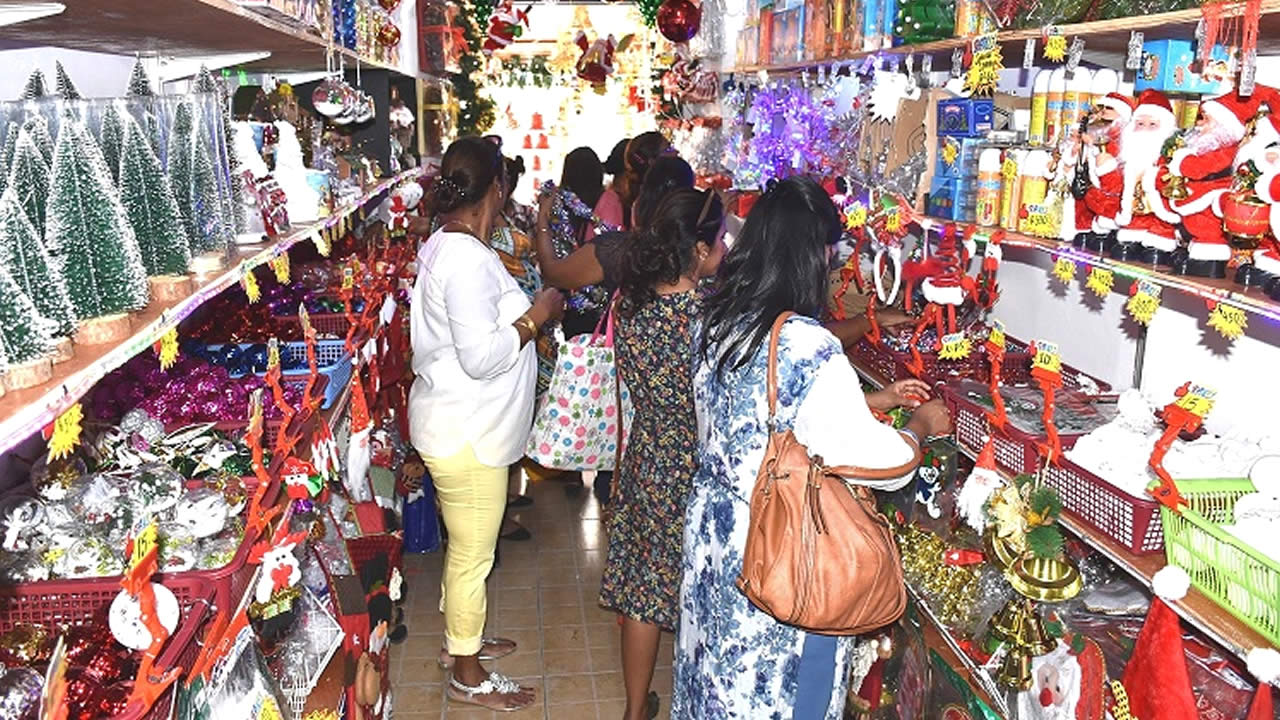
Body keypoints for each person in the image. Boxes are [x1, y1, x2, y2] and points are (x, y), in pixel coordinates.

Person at [672, 176, 951, 720]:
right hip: (780, 540)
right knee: (779, 692)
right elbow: (883, 464)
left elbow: (767, 421)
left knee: (712, 681)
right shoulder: (805, 342)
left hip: (715, 533)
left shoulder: (715, 319)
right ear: (812, 255)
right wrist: (917, 426)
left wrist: (869, 399)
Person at [408, 136, 564, 711]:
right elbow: (481, 356)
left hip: (456, 421)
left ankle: (460, 643)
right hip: (466, 431)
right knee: (474, 556)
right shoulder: (467, 259)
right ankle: (468, 674)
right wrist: (537, 315)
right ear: (496, 188)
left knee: (465, 551)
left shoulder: (446, 242)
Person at [600, 188, 727, 720]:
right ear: (697, 249)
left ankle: (634, 710)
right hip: (694, 465)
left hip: (645, 456)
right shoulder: (707, 317)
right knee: (698, 590)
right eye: (718, 242)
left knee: (643, 592)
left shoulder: (632, 303)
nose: (722, 252)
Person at [489, 154, 551, 537]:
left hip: (528, 325)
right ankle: (496, 512)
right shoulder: (474, 228)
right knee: (503, 415)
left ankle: (507, 496)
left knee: (519, 411)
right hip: (513, 328)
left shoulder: (503, 217)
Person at [536, 155, 696, 294]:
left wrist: (543, 216)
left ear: (642, 199)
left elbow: (552, 274)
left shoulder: (616, 250)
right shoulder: (698, 252)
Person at [617, 131, 672, 229]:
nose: (676, 152)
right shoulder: (661, 201)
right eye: (668, 149)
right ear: (653, 161)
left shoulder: (640, 202)